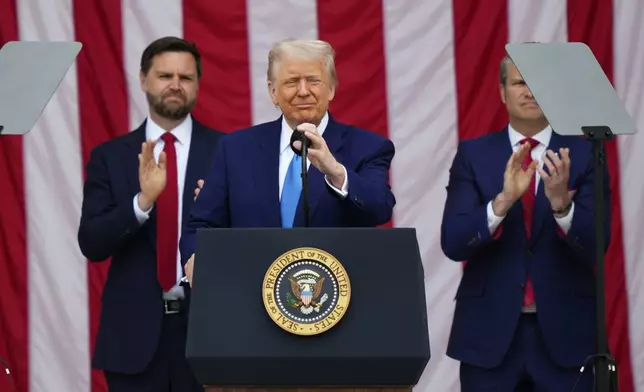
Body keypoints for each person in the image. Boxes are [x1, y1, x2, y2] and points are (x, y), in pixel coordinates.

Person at [440, 54, 611, 391]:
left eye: (538, 84)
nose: (530, 92)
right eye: (520, 83)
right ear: (503, 92)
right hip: (488, 335)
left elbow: (597, 244)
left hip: (568, 335)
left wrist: (562, 205)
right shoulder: (474, 154)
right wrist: (502, 202)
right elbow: (454, 242)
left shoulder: (585, 152)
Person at [179, 38, 396, 281]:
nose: (303, 91)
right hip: (250, 299)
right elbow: (201, 224)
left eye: (313, 80)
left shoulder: (368, 147)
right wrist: (196, 255)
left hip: (335, 300)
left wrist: (335, 172)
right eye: (292, 82)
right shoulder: (236, 149)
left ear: (331, 89)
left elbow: (380, 208)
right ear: (273, 92)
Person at [77, 36, 224, 391]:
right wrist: (142, 201)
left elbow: (250, 238)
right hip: (133, 338)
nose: (175, 85)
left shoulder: (228, 151)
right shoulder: (110, 156)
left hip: (211, 335)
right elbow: (93, 242)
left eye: (186, 77)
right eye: (164, 75)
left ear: (197, 84)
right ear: (143, 80)